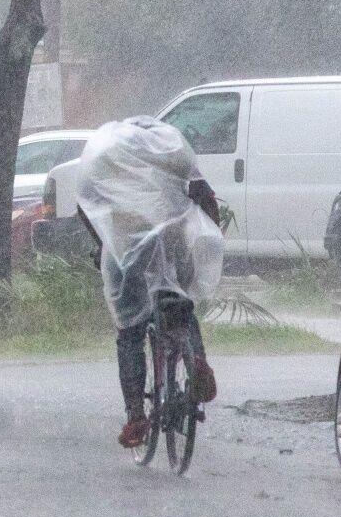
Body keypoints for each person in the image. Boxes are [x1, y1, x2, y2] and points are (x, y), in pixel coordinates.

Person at [70, 118, 225, 448]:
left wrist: (104, 245)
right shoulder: (173, 153)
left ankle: (136, 415)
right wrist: (209, 240)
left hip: (126, 250)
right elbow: (205, 199)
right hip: (174, 244)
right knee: (181, 304)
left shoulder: (102, 159)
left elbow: (86, 208)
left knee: (130, 331)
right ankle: (197, 360)